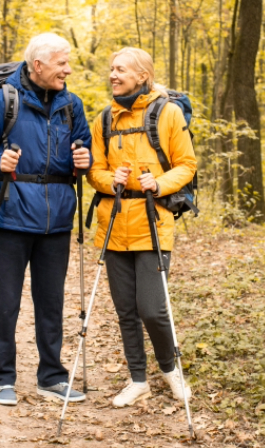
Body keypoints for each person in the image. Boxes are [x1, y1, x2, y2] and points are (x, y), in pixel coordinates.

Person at [0, 33, 92, 406]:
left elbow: (84, 151)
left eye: (68, 62)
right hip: (10, 216)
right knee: (4, 302)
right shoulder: (2, 100)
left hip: (57, 221)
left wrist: (85, 161)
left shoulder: (72, 105)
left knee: (51, 304)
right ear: (38, 65)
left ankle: (51, 377)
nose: (68, 69)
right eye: (61, 63)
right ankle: (2, 378)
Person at [86, 47, 197, 407]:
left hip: (153, 221)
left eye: (121, 70)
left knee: (152, 308)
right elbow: (94, 170)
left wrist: (159, 184)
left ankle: (170, 370)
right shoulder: (105, 118)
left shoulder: (168, 113)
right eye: (112, 69)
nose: (113, 75)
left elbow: (187, 164)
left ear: (142, 76)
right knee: (126, 311)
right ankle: (137, 380)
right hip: (114, 223)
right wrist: (107, 178)